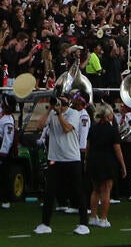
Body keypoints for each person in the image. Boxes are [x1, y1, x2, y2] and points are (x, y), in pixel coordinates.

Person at [33, 91, 89, 236]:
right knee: (49, 192)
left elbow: (67, 129)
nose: (60, 105)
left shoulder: (74, 114)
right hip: (55, 158)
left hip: (71, 158)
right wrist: (50, 110)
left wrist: (59, 114)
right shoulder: (52, 114)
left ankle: (84, 223)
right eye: (59, 102)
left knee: (78, 191)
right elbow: (39, 126)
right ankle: (45, 224)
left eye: (63, 102)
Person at [84, 102, 124, 228]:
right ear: (108, 115)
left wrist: (86, 160)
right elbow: (117, 149)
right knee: (106, 190)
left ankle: (93, 217)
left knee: (95, 189)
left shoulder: (93, 128)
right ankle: (103, 218)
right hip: (107, 162)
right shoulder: (112, 130)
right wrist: (123, 165)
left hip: (94, 161)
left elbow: (88, 146)